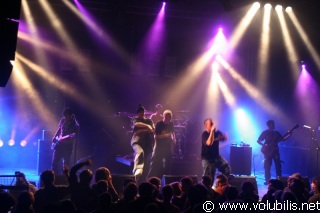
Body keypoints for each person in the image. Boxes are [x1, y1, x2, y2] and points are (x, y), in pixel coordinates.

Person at [257, 120, 292, 185]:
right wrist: (263, 145)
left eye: (273, 124)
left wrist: (290, 135)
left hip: (275, 151)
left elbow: (283, 139)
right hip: (267, 152)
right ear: (269, 125)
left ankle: (279, 180)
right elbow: (258, 140)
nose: (274, 125)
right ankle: (267, 180)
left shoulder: (276, 133)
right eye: (272, 124)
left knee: (278, 166)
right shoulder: (265, 132)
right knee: (267, 166)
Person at [148, 110, 176, 179]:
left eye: (169, 117)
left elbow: (172, 133)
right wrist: (165, 135)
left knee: (167, 165)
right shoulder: (159, 124)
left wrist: (174, 140)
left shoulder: (171, 124)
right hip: (159, 148)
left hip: (168, 147)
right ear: (164, 116)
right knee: (155, 164)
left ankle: (166, 180)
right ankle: (149, 179)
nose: (168, 119)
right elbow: (156, 136)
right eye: (167, 117)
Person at [201, 118, 231, 183]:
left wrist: (225, 137)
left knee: (226, 168)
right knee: (209, 179)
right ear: (206, 126)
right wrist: (211, 131)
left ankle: (220, 184)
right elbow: (209, 143)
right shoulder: (205, 134)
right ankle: (207, 190)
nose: (213, 125)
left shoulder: (217, 132)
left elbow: (224, 138)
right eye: (211, 124)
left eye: (213, 123)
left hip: (216, 157)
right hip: (208, 159)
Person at [130, 105, 155, 182]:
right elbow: (136, 124)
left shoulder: (149, 120)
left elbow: (153, 129)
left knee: (147, 162)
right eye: (140, 112)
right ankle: (137, 170)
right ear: (138, 113)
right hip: (136, 141)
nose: (141, 113)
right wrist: (147, 126)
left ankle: (143, 180)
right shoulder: (135, 119)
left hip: (147, 143)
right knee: (140, 152)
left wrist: (140, 130)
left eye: (142, 111)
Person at [51, 107, 79, 174]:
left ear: (70, 115)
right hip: (59, 145)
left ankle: (64, 178)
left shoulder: (75, 125)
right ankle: (53, 177)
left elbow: (72, 139)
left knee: (66, 163)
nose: (65, 118)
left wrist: (64, 141)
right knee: (54, 162)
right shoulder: (63, 120)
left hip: (67, 146)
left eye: (66, 116)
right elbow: (59, 129)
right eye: (64, 116)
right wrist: (55, 136)